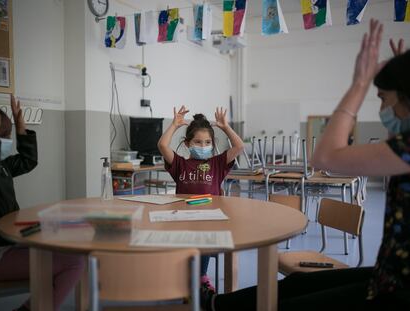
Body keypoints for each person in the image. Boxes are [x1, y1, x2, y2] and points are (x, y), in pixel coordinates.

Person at [201, 19, 410, 311]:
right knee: (298, 283)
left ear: (405, 99)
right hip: (390, 276)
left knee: (294, 302)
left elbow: (324, 157)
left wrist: (359, 85)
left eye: (384, 99)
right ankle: (217, 303)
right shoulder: (401, 148)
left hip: (399, 290)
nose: (382, 109)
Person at [0, 95, 84, 311]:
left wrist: (19, 123)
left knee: (64, 238)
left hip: (9, 239)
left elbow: (28, 160)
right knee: (74, 262)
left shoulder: (3, 166)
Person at [157, 106, 244, 293]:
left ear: (212, 144)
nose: (203, 146)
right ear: (188, 143)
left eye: (207, 142)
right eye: (198, 142)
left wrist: (226, 127)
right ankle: (185, 277)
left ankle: (201, 277)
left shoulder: (218, 164)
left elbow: (239, 146)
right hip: (183, 221)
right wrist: (174, 125)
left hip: (209, 221)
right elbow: (163, 145)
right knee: (183, 244)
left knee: (204, 239)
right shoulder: (180, 164)